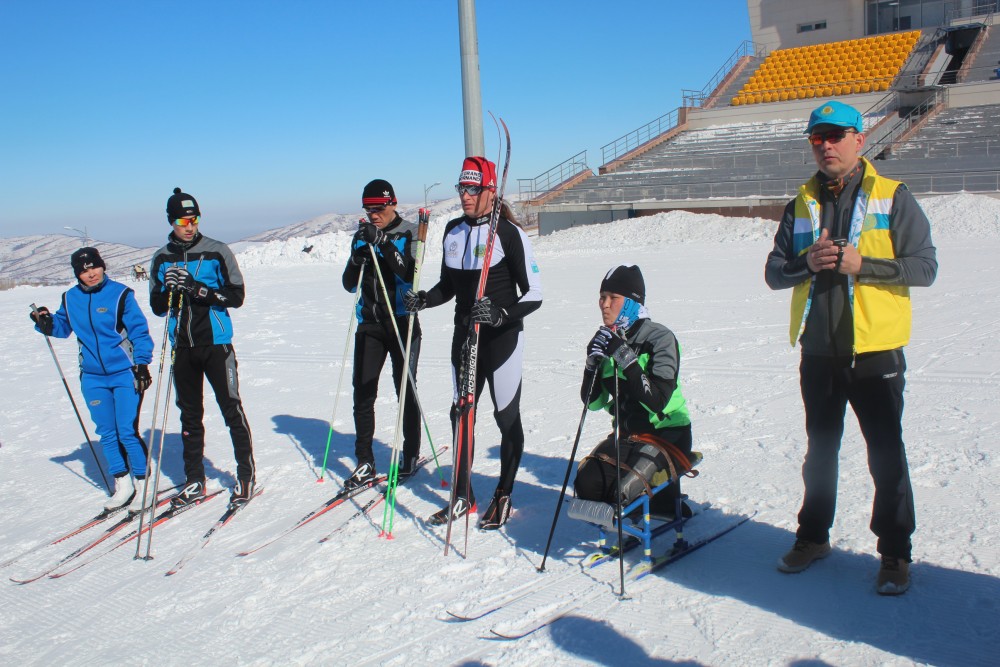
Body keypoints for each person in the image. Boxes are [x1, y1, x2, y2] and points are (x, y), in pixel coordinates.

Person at [765, 100, 937, 595]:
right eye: (817, 136)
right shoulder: (800, 203)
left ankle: (895, 554)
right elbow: (775, 272)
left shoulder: (891, 196)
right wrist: (808, 263)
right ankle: (813, 537)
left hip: (876, 351)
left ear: (860, 140)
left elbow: (924, 267)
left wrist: (865, 265)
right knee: (820, 452)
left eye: (836, 135)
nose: (825, 145)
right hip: (819, 352)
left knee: (886, 454)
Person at [404, 156, 542, 529]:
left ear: (490, 191)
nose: (465, 195)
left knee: (504, 415)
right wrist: (424, 300)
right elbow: (449, 287)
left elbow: (534, 294)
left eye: (472, 189)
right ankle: (463, 495)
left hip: (501, 339)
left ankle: (504, 493)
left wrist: (499, 314)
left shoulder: (508, 234)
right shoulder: (452, 231)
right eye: (461, 188)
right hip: (464, 337)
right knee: (461, 413)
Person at [149, 188, 256, 508]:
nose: (189, 225)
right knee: (190, 416)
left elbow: (236, 297)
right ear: (171, 221)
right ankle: (195, 479)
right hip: (182, 347)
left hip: (216, 344)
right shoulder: (161, 258)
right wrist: (168, 289)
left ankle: (246, 474)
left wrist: (198, 289)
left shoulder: (216, 251)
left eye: (194, 219)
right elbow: (156, 306)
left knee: (231, 408)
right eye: (183, 220)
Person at [30, 247, 155, 513]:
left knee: (126, 430)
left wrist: (142, 364)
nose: (91, 274)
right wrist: (45, 322)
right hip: (93, 377)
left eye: (94, 267)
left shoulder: (121, 294)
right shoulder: (70, 297)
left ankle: (143, 484)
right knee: (106, 432)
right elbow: (62, 328)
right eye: (84, 270)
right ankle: (123, 484)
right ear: (77, 273)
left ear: (102, 266)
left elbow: (139, 331)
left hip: (125, 372)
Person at [576, 265, 693, 518]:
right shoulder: (610, 339)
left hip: (668, 433)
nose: (604, 305)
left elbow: (658, 401)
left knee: (624, 490)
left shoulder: (660, 339)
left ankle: (666, 504)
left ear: (631, 302)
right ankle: (650, 504)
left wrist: (626, 359)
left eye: (613, 298)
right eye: (602, 297)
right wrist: (591, 366)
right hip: (628, 435)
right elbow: (593, 403)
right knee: (586, 483)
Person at [340, 179, 422, 490]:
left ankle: (410, 454)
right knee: (363, 392)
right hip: (370, 323)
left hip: (403, 322)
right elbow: (349, 284)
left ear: (393, 203)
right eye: (368, 209)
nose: (374, 214)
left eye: (379, 208)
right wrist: (356, 259)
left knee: (405, 392)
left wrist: (384, 243)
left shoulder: (410, 232)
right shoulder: (360, 237)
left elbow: (410, 273)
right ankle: (365, 460)